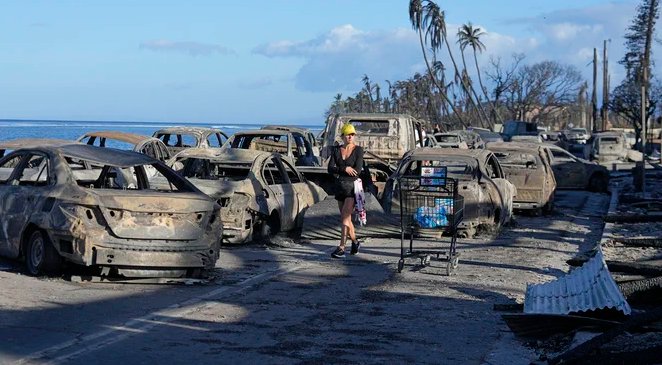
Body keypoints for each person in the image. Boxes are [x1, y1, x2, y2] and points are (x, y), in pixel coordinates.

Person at [327, 123, 364, 258]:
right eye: (348, 134)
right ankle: (355, 242)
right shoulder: (336, 150)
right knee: (346, 219)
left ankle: (341, 247)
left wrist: (344, 170)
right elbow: (330, 168)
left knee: (345, 217)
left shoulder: (358, 150)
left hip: (352, 188)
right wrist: (344, 169)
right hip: (339, 187)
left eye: (352, 134)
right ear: (342, 136)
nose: (350, 136)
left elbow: (358, 171)